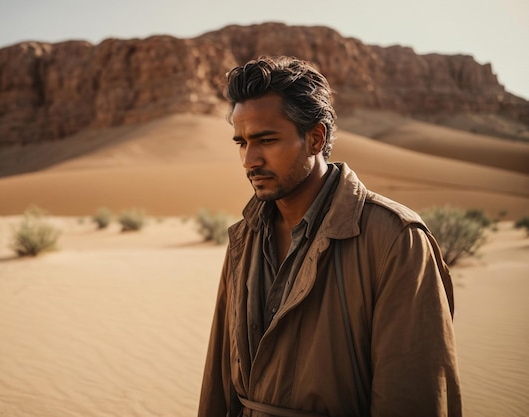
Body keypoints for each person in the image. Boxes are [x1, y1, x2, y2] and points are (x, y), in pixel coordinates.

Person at [198, 56, 462, 417]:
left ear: (315, 138)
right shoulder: (244, 237)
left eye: (266, 140)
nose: (249, 159)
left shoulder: (395, 238)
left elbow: (414, 392)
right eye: (242, 142)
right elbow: (218, 379)